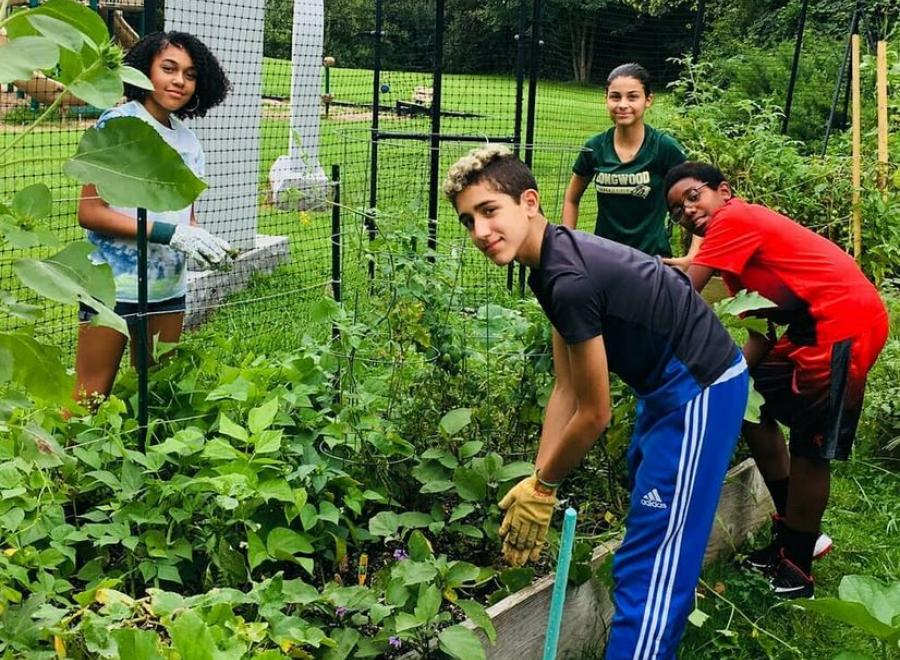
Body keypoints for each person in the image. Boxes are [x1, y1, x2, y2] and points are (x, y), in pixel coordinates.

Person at [444, 145, 748, 658]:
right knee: (647, 522)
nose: (479, 232)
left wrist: (545, 485)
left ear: (530, 202)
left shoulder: (567, 278)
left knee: (654, 564)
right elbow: (567, 388)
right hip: (664, 386)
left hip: (700, 388)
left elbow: (595, 413)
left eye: (489, 211)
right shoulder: (548, 260)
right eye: (467, 220)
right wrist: (536, 484)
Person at [663, 161, 889, 598]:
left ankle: (798, 569)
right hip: (812, 331)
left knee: (810, 446)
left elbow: (684, 295)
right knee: (746, 403)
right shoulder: (736, 264)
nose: (688, 211)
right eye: (677, 210)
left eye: (694, 196)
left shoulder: (734, 219)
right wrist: (730, 381)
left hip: (846, 327)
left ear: (724, 192)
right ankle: (795, 538)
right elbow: (761, 332)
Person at [73, 31, 232, 405]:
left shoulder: (190, 142)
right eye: (169, 68)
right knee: (89, 396)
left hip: (169, 290)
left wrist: (202, 240)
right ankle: (63, 466)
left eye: (190, 74)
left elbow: (184, 218)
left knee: (155, 393)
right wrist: (169, 233)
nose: (179, 81)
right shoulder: (117, 126)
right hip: (111, 287)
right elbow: (91, 212)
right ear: (145, 70)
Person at [562, 62, 700, 265]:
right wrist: (568, 247)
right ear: (606, 99)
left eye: (633, 96)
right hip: (604, 259)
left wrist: (692, 257)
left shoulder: (664, 148)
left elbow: (700, 200)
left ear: (648, 100)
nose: (622, 104)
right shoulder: (595, 148)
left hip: (652, 262)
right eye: (615, 96)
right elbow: (571, 199)